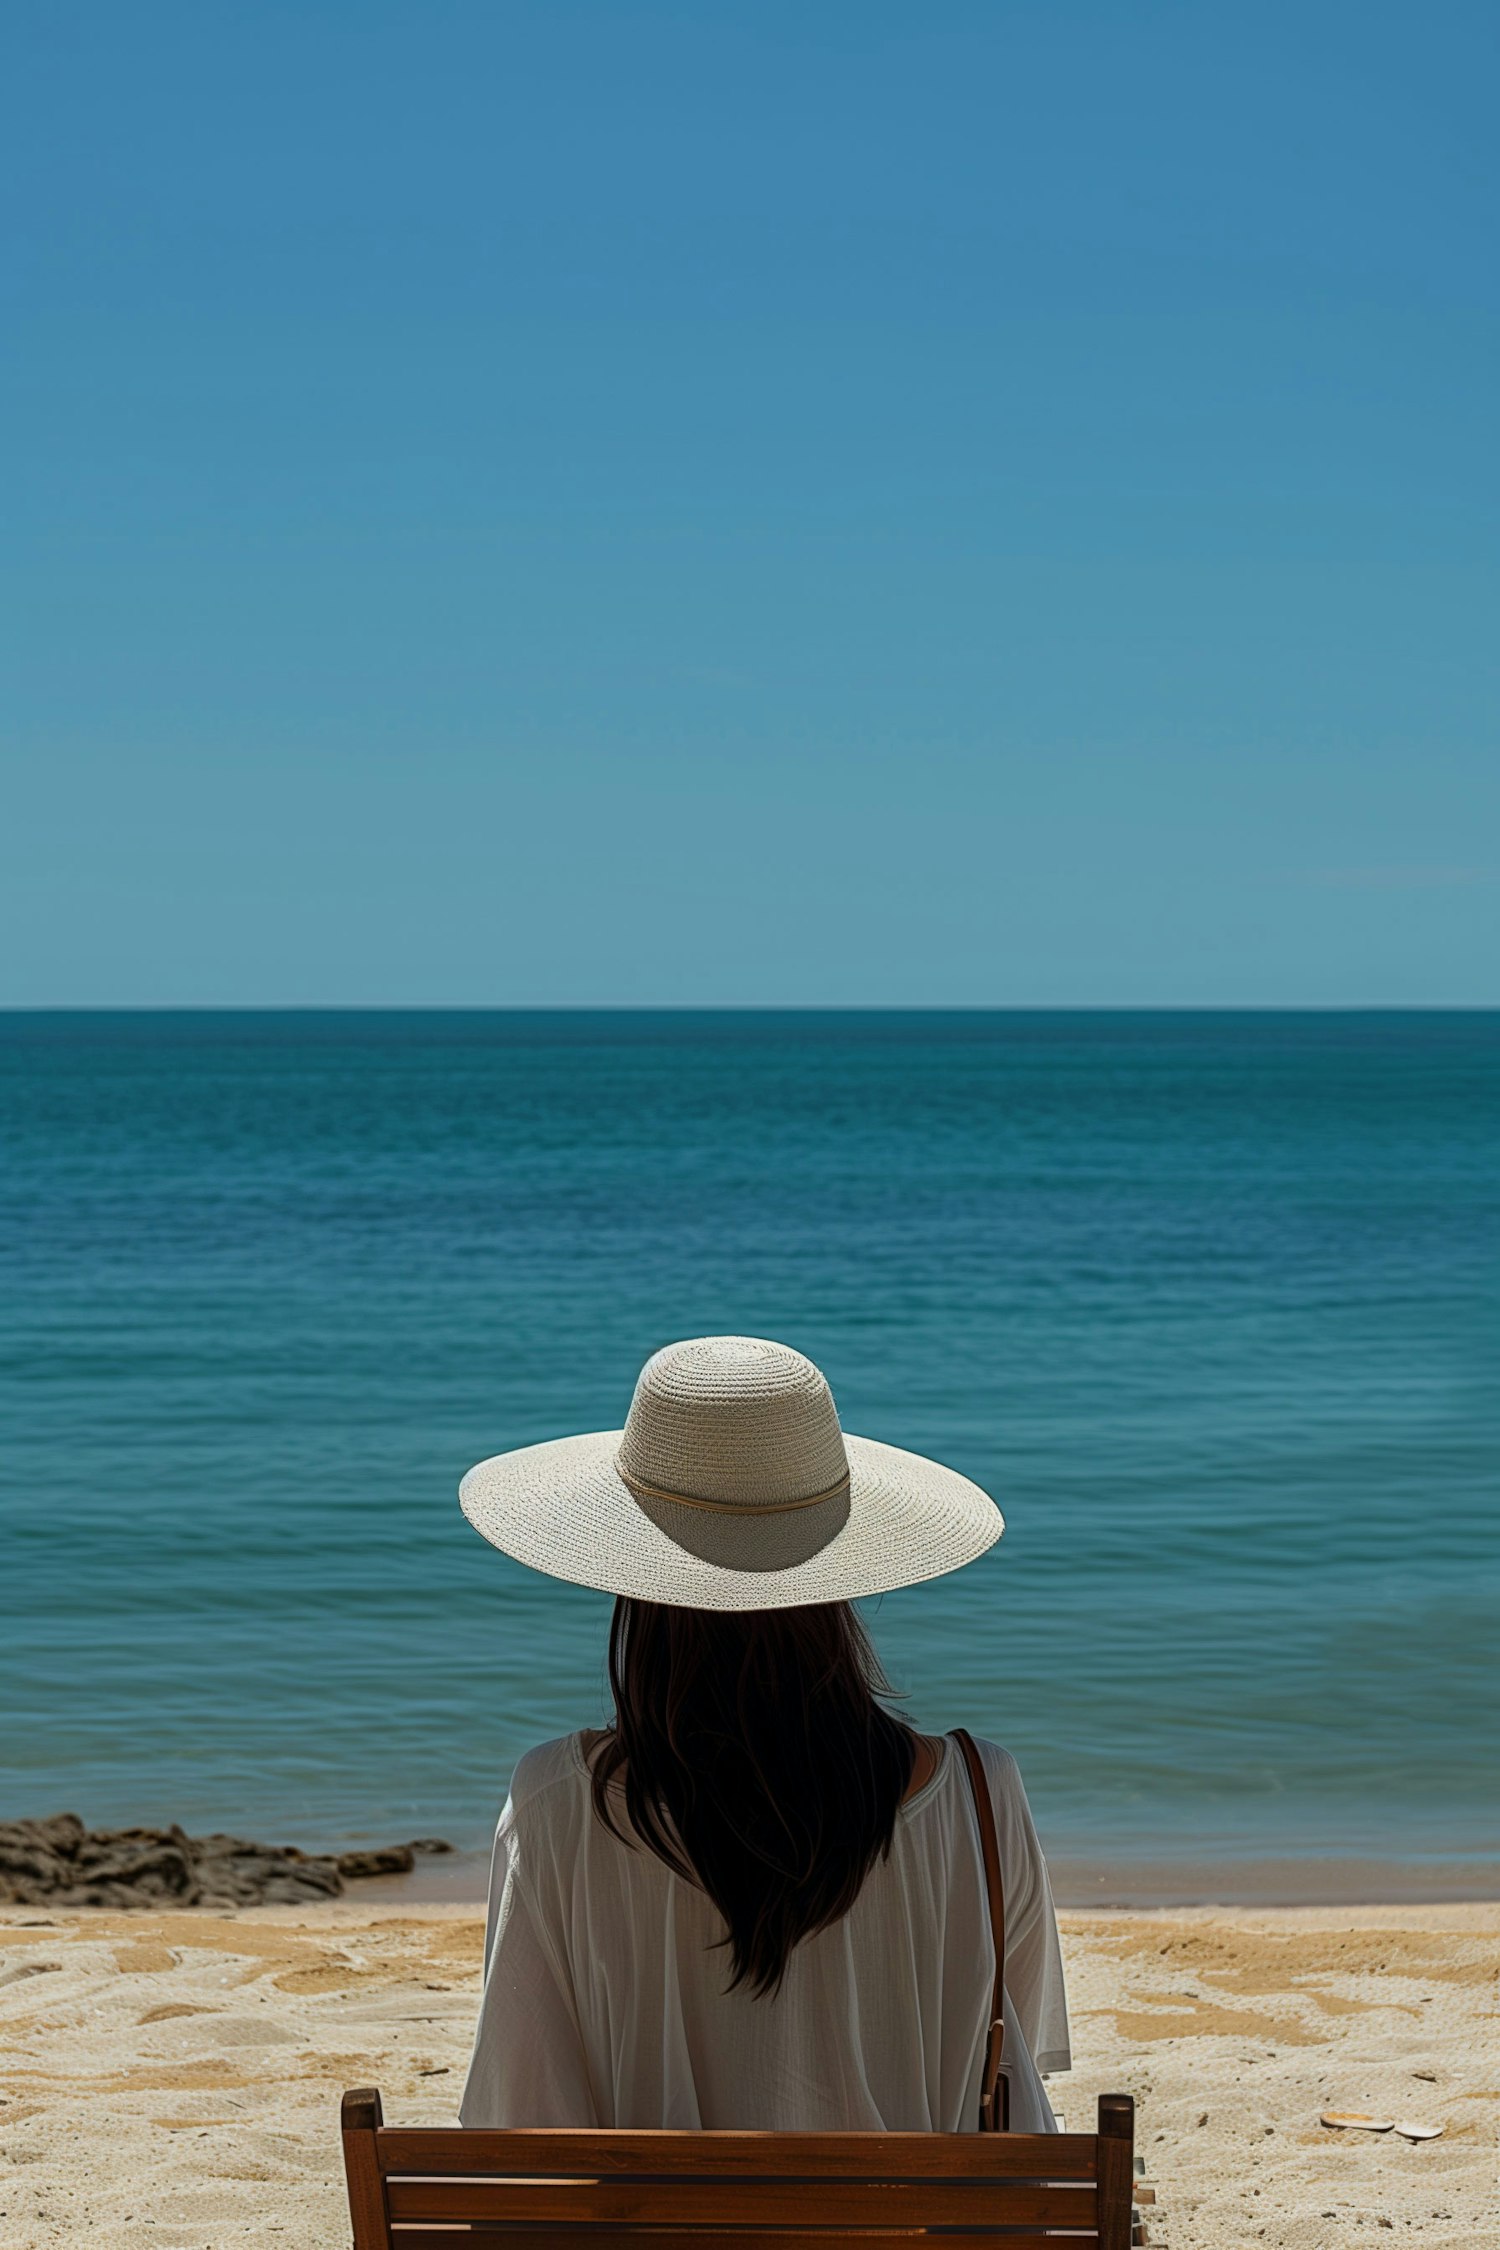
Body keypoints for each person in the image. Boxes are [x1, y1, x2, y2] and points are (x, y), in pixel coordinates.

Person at [456, 1334, 1069, 2134]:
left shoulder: (556, 1804)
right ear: (837, 1580)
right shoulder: (979, 1797)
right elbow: (1005, 2047)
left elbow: (523, 2115)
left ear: (634, 1590)